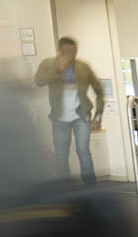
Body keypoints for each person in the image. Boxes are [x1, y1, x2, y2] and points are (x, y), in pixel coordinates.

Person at [35, 38, 105, 185]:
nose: (71, 54)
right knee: (61, 155)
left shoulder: (83, 67)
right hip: (58, 117)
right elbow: (38, 81)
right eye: (67, 51)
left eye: (73, 51)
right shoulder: (48, 64)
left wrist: (98, 115)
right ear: (59, 51)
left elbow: (99, 91)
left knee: (83, 151)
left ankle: (92, 187)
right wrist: (59, 69)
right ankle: (65, 189)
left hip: (81, 116)